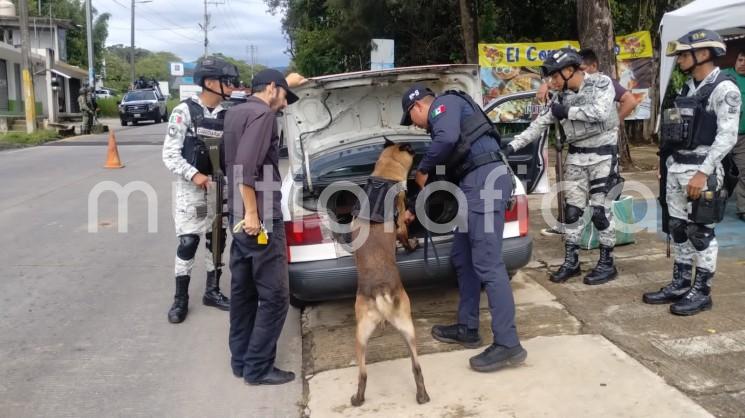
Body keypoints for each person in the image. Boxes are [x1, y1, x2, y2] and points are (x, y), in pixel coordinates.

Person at [400, 84, 527, 373]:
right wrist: (411, 208)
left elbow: (445, 140)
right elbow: (435, 180)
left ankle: (508, 343)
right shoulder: (444, 129)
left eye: (412, 120)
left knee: (488, 264)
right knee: (463, 256)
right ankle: (468, 327)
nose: (417, 128)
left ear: (418, 106)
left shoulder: (445, 106)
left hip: (485, 181)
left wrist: (421, 168)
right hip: (473, 184)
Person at [643, 29, 740, 315]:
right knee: (678, 228)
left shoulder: (724, 89)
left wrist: (703, 172)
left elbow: (727, 136)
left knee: (701, 232)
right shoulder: (687, 88)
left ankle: (702, 291)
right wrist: (667, 166)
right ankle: (681, 282)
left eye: (684, 54)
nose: (681, 59)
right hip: (678, 168)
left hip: (702, 168)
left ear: (704, 53)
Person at [506, 48, 621, 285]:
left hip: (602, 156)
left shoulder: (601, 84)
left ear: (570, 70)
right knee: (572, 213)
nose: (552, 82)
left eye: (555, 76)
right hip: (576, 157)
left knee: (600, 212)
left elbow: (599, 113)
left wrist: (568, 111)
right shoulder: (560, 97)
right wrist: (511, 147)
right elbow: (539, 125)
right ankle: (572, 261)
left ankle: (607, 262)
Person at [223, 69, 299, 385]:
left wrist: (291, 81)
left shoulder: (235, 113)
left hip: (236, 217)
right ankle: (257, 368)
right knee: (276, 296)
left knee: (243, 291)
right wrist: (254, 213)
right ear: (271, 88)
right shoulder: (264, 115)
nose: (283, 105)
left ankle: (240, 360)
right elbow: (245, 167)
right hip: (260, 219)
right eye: (283, 96)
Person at [162, 56, 239, 324]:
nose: (231, 85)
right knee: (188, 241)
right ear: (209, 83)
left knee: (216, 240)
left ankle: (212, 291)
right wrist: (195, 175)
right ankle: (180, 299)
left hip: (220, 189)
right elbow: (170, 155)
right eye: (226, 81)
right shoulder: (184, 112)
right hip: (192, 191)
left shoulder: (228, 114)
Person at [536, 48, 638, 237]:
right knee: (573, 199)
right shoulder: (569, 86)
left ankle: (600, 241)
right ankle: (570, 230)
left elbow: (630, 101)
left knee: (600, 203)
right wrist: (546, 85)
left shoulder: (601, 83)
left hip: (601, 151)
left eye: (582, 67)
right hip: (576, 150)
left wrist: (610, 125)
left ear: (593, 67)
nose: (579, 71)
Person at [723, 49, 745, 220]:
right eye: (740, 59)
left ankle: (743, 209)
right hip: (721, 135)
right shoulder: (724, 77)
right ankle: (705, 207)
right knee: (714, 172)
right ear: (735, 60)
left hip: (741, 138)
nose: (743, 63)